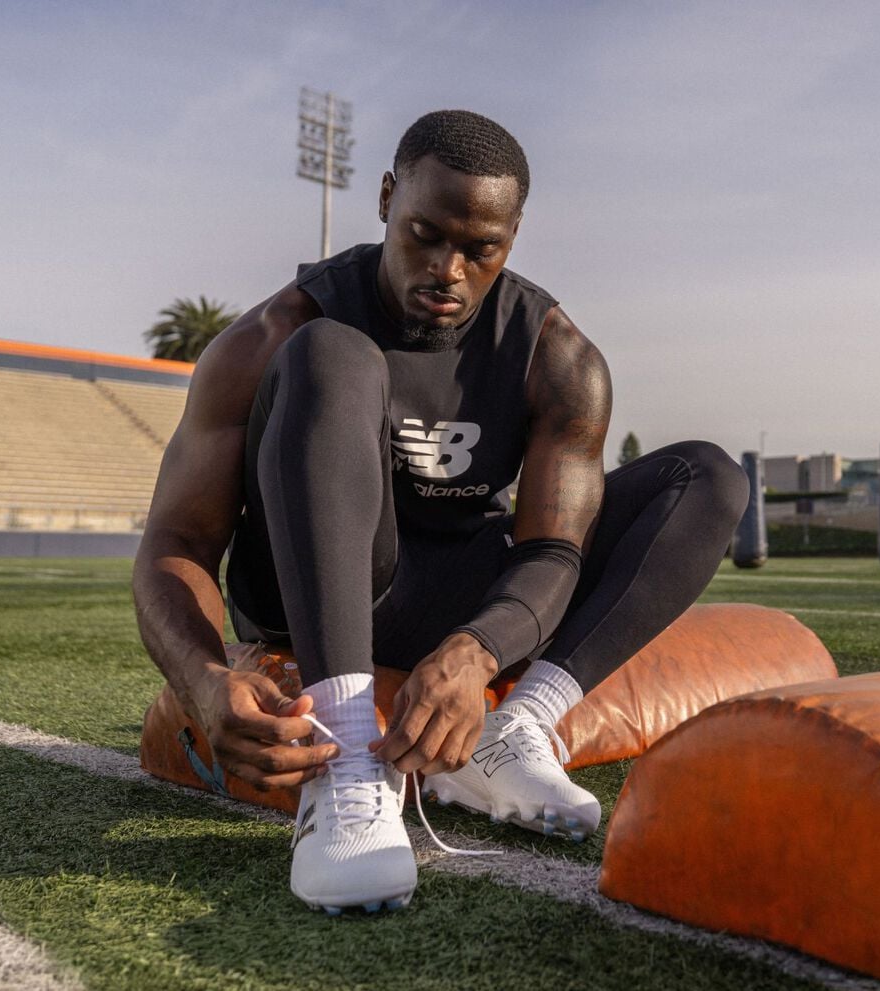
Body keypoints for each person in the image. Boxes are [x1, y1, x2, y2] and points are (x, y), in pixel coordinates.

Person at [133, 109, 749, 915]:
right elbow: (175, 541)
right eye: (424, 233)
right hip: (315, 588)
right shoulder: (275, 332)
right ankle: (349, 759)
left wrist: (477, 653)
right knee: (330, 355)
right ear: (387, 198)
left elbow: (553, 551)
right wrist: (202, 679)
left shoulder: (557, 356)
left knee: (702, 475)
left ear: (512, 238)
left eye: (479, 249)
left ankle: (517, 726)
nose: (447, 268)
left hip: (456, 585)